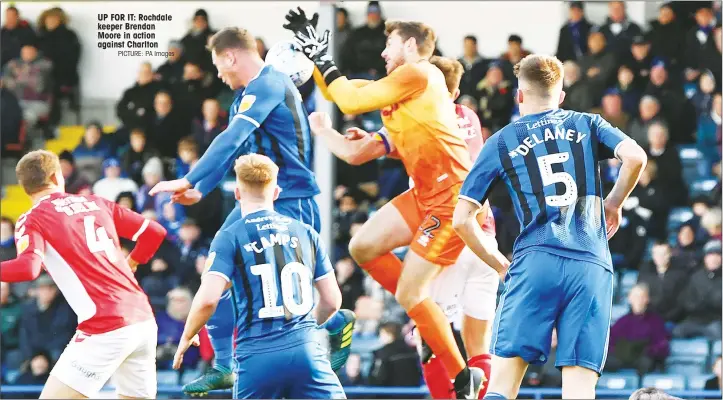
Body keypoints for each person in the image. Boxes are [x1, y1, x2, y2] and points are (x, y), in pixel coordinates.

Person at [289, 13, 499, 396]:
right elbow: (349, 103)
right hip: (429, 196)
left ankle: (459, 372)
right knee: (362, 246)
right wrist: (318, 61)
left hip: (451, 201)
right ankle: (424, 313)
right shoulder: (409, 95)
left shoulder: (419, 73)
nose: (384, 53)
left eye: (390, 45)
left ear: (410, 45)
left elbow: (350, 98)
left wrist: (321, 57)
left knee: (411, 294)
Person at [148, 26, 355, 394]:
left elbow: (229, 139)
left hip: (291, 199)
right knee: (215, 272)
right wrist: (202, 188)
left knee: (290, 287)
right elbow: (237, 148)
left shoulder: (269, 84)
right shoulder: (248, 94)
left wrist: (189, 179)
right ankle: (225, 365)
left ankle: (333, 325)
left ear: (231, 56)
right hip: (261, 199)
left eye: (218, 64)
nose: (218, 74)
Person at [452, 54, 648, 399]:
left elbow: (461, 220)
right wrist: (613, 203)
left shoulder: (501, 140)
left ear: (519, 96)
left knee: (501, 387)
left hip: (535, 260)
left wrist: (500, 264)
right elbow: (635, 157)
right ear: (560, 96)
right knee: (578, 391)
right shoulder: (588, 123)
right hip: (590, 264)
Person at [172, 154, 346, 399]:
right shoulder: (306, 233)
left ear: (237, 194)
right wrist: (302, 331)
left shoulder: (229, 236)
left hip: (256, 357)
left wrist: (188, 335)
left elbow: (208, 299)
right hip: (306, 352)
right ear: (276, 192)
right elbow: (332, 301)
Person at [0, 150, 167, 399]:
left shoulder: (33, 218)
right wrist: (133, 260)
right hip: (142, 320)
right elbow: (154, 232)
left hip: (105, 326)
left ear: (24, 187)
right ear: (58, 176)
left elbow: (28, 268)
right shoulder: (96, 202)